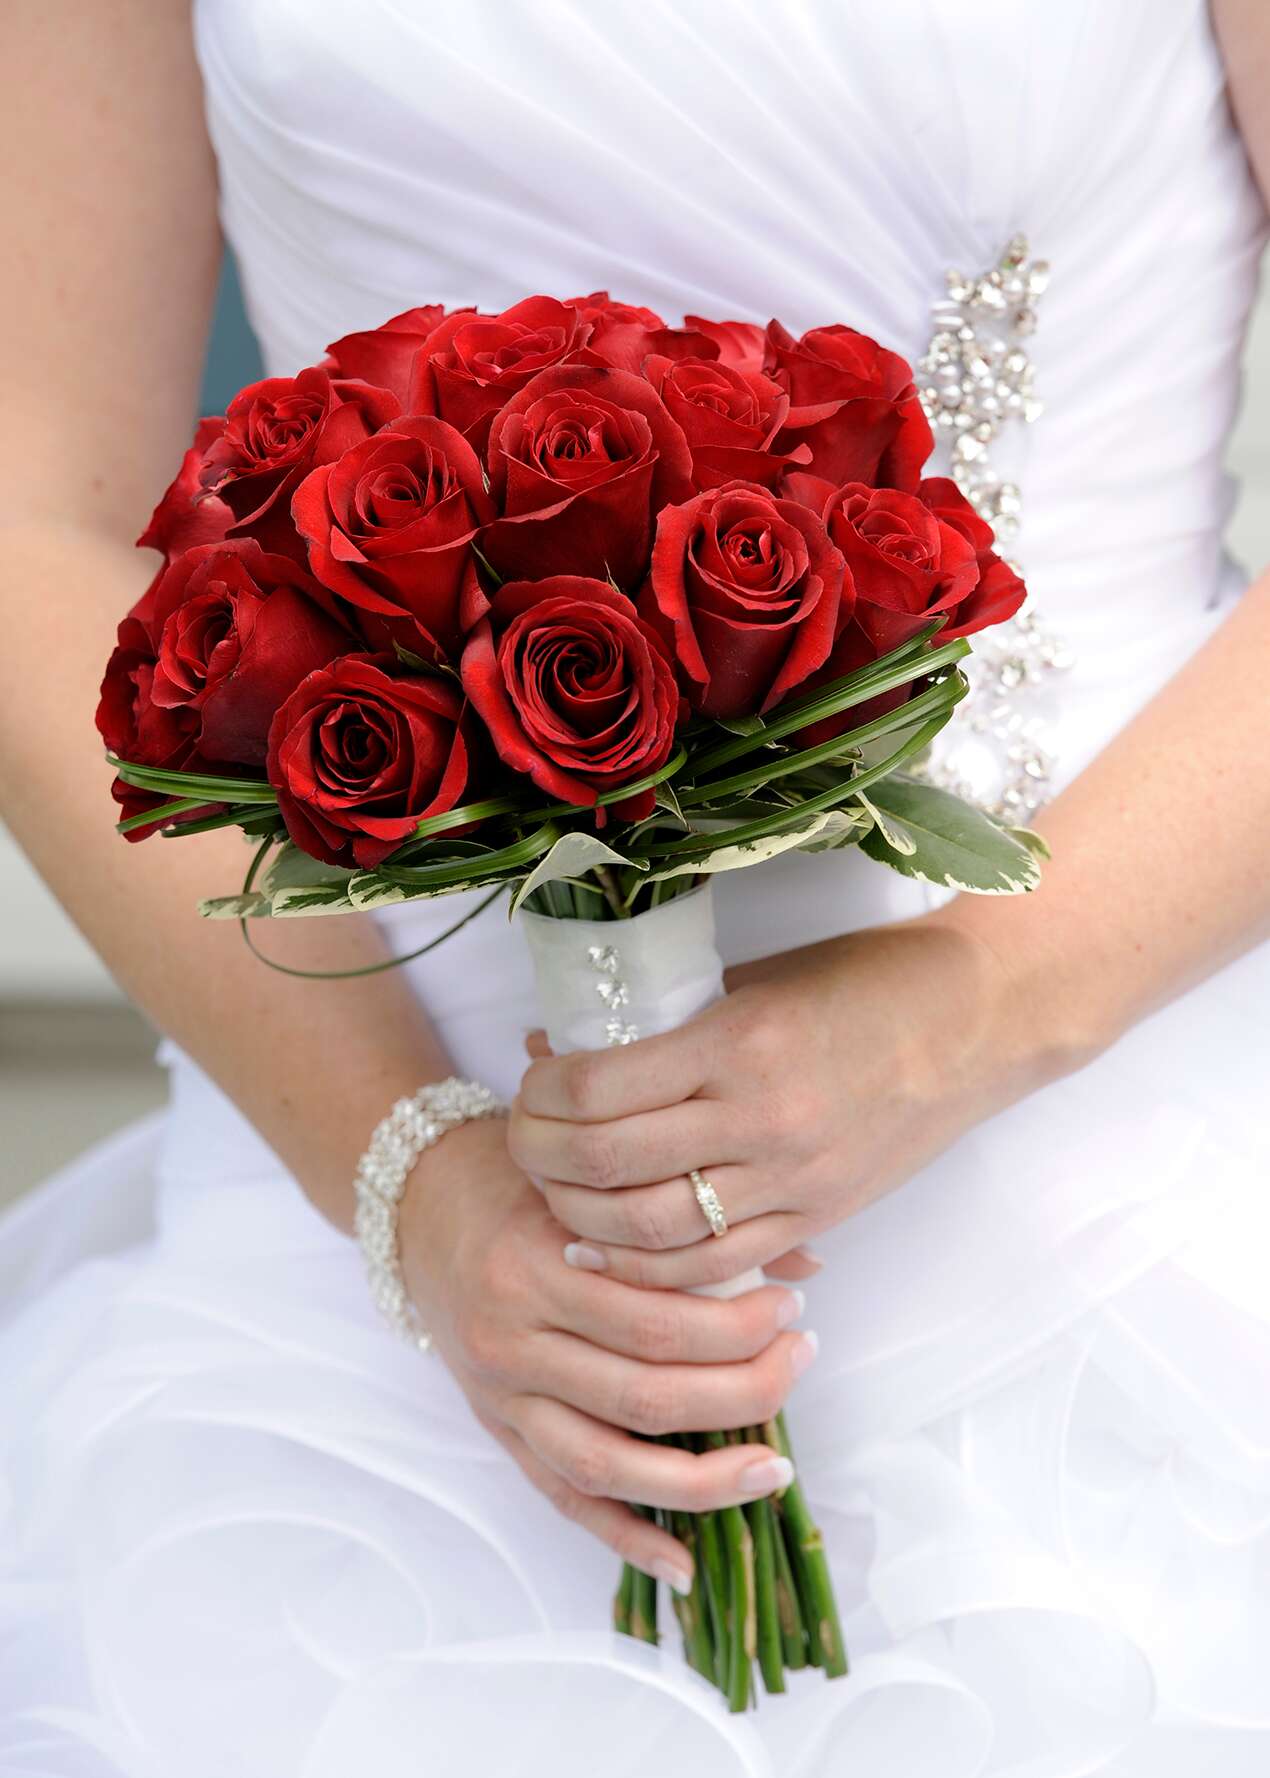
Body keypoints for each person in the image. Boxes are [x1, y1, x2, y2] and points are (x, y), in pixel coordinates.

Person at [2, 3, 1268, 1773]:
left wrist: (974, 1009)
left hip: (1116, 1127)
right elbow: (32, 515)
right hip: (396, 1192)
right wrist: (412, 1182)